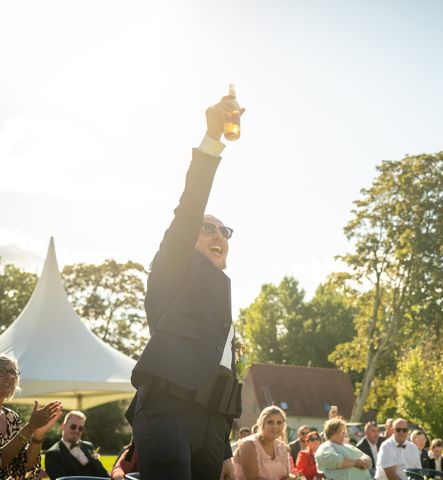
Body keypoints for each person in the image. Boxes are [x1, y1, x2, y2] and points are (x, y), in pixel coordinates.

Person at [127, 93, 245, 480]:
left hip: (212, 425)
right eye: (207, 228)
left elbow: (220, 373)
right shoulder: (173, 266)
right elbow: (190, 206)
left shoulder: (222, 298)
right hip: (167, 409)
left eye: (224, 231)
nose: (218, 234)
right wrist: (213, 140)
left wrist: (223, 446)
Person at [0, 355, 61, 480]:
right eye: (1, 371)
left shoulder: (12, 417)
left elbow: (24, 467)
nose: (10, 376)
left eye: (13, 372)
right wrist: (30, 427)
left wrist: (37, 435)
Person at [45, 410, 110, 480]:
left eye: (80, 428)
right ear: (63, 426)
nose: (76, 431)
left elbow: (104, 474)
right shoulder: (53, 454)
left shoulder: (89, 446)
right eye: (73, 426)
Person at [233, 406, 290, 480]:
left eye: (279, 423)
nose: (275, 426)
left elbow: (286, 477)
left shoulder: (282, 446)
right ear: (261, 424)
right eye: (270, 422)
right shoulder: (249, 445)